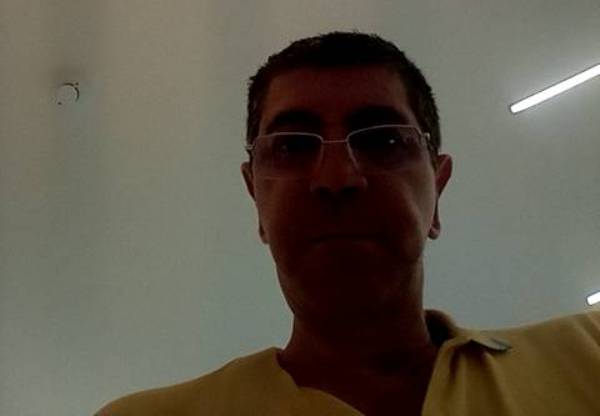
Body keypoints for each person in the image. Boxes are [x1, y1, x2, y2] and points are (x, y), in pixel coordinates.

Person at [95, 30, 600, 415]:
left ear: (437, 189)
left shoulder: (588, 354)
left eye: (383, 140)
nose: (336, 178)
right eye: (292, 146)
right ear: (255, 197)